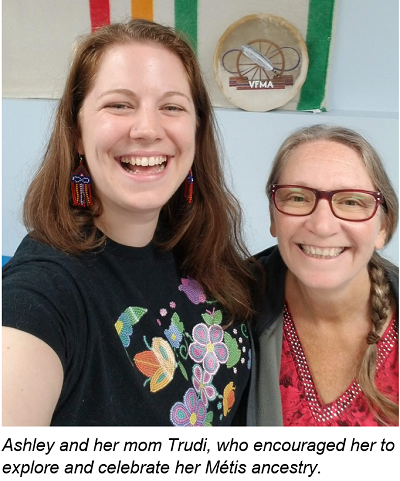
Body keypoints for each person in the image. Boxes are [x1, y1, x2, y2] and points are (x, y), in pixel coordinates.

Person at [2, 19, 255, 426]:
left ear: (196, 130)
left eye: (172, 107)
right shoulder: (43, 292)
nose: (147, 129)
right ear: (77, 133)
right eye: (119, 104)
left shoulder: (203, 251)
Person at [247, 124, 398, 426]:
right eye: (298, 198)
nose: (322, 226)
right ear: (273, 217)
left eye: (351, 201)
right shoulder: (224, 311)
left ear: (383, 226)